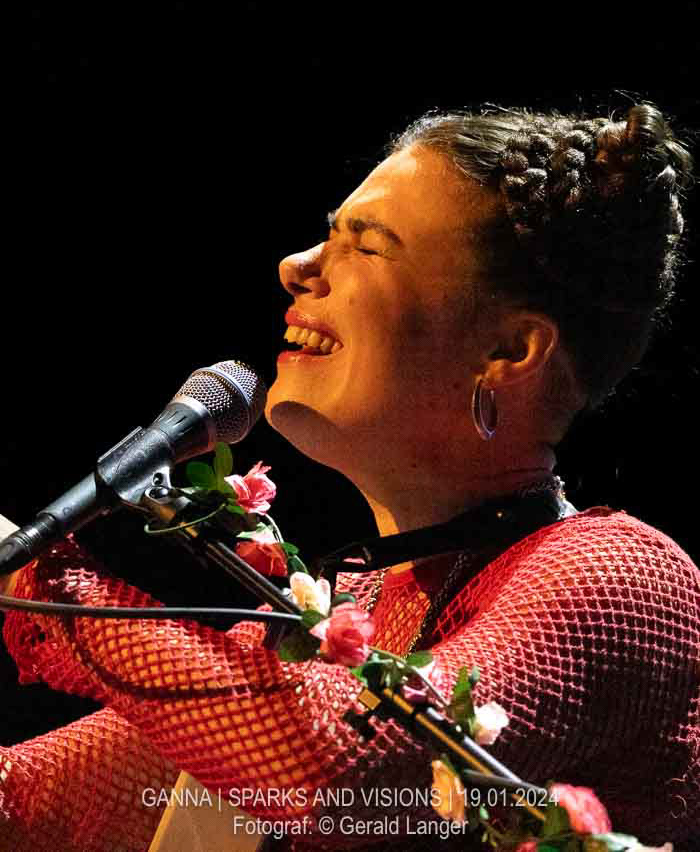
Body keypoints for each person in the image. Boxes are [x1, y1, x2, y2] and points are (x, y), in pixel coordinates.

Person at [1, 100, 698, 851]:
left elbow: (338, 769)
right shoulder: (353, 612)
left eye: (365, 245)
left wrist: (39, 581)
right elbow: (25, 801)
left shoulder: (623, 577)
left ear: (509, 350)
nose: (295, 266)